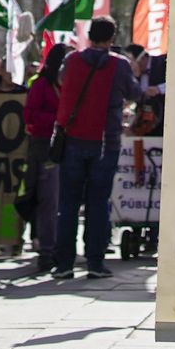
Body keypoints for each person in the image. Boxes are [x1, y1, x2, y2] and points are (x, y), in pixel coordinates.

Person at [52, 17, 128, 281]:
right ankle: (95, 262)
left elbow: (63, 83)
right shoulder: (119, 65)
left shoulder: (72, 60)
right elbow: (134, 92)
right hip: (106, 142)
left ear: (89, 34)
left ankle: (64, 264)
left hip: (73, 139)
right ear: (112, 37)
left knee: (69, 204)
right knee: (98, 203)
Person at [24, 42, 67, 273]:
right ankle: (46, 251)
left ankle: (60, 247)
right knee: (48, 199)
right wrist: (57, 119)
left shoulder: (69, 84)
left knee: (62, 200)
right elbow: (29, 114)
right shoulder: (41, 84)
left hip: (69, 144)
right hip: (45, 146)